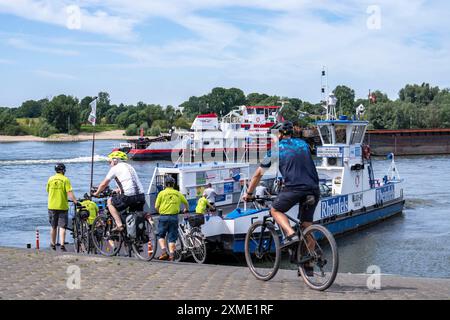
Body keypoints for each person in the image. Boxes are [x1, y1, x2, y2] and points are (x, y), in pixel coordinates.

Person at [243, 121, 320, 274]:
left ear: (279, 134)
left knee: (275, 210)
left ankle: (290, 235)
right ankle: (309, 263)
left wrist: (249, 194)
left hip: (294, 188)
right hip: (314, 189)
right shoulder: (303, 144)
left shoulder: (277, 149)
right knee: (306, 226)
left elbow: (258, 174)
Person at [92, 151, 146, 232]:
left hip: (128, 196)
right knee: (135, 215)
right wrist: (117, 190)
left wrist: (96, 193)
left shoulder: (115, 168)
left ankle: (119, 225)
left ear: (115, 160)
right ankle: (136, 237)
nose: (109, 164)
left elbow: (104, 184)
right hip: (141, 196)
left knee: (110, 201)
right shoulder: (130, 166)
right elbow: (130, 183)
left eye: (110, 162)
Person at [155, 176, 189, 261]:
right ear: (173, 184)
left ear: (165, 184)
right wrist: (185, 209)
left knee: (161, 235)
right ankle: (172, 256)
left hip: (163, 216)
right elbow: (186, 202)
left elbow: (156, 206)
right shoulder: (178, 193)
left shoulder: (161, 193)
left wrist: (160, 212)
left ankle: (164, 252)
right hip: (174, 217)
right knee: (172, 237)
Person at [46, 163, 77, 251]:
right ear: (63, 170)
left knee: (53, 226)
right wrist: (75, 201)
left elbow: (47, 190)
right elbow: (69, 193)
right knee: (62, 227)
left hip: (51, 206)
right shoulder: (65, 179)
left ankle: (53, 244)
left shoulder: (50, 179)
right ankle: (62, 245)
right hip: (62, 206)